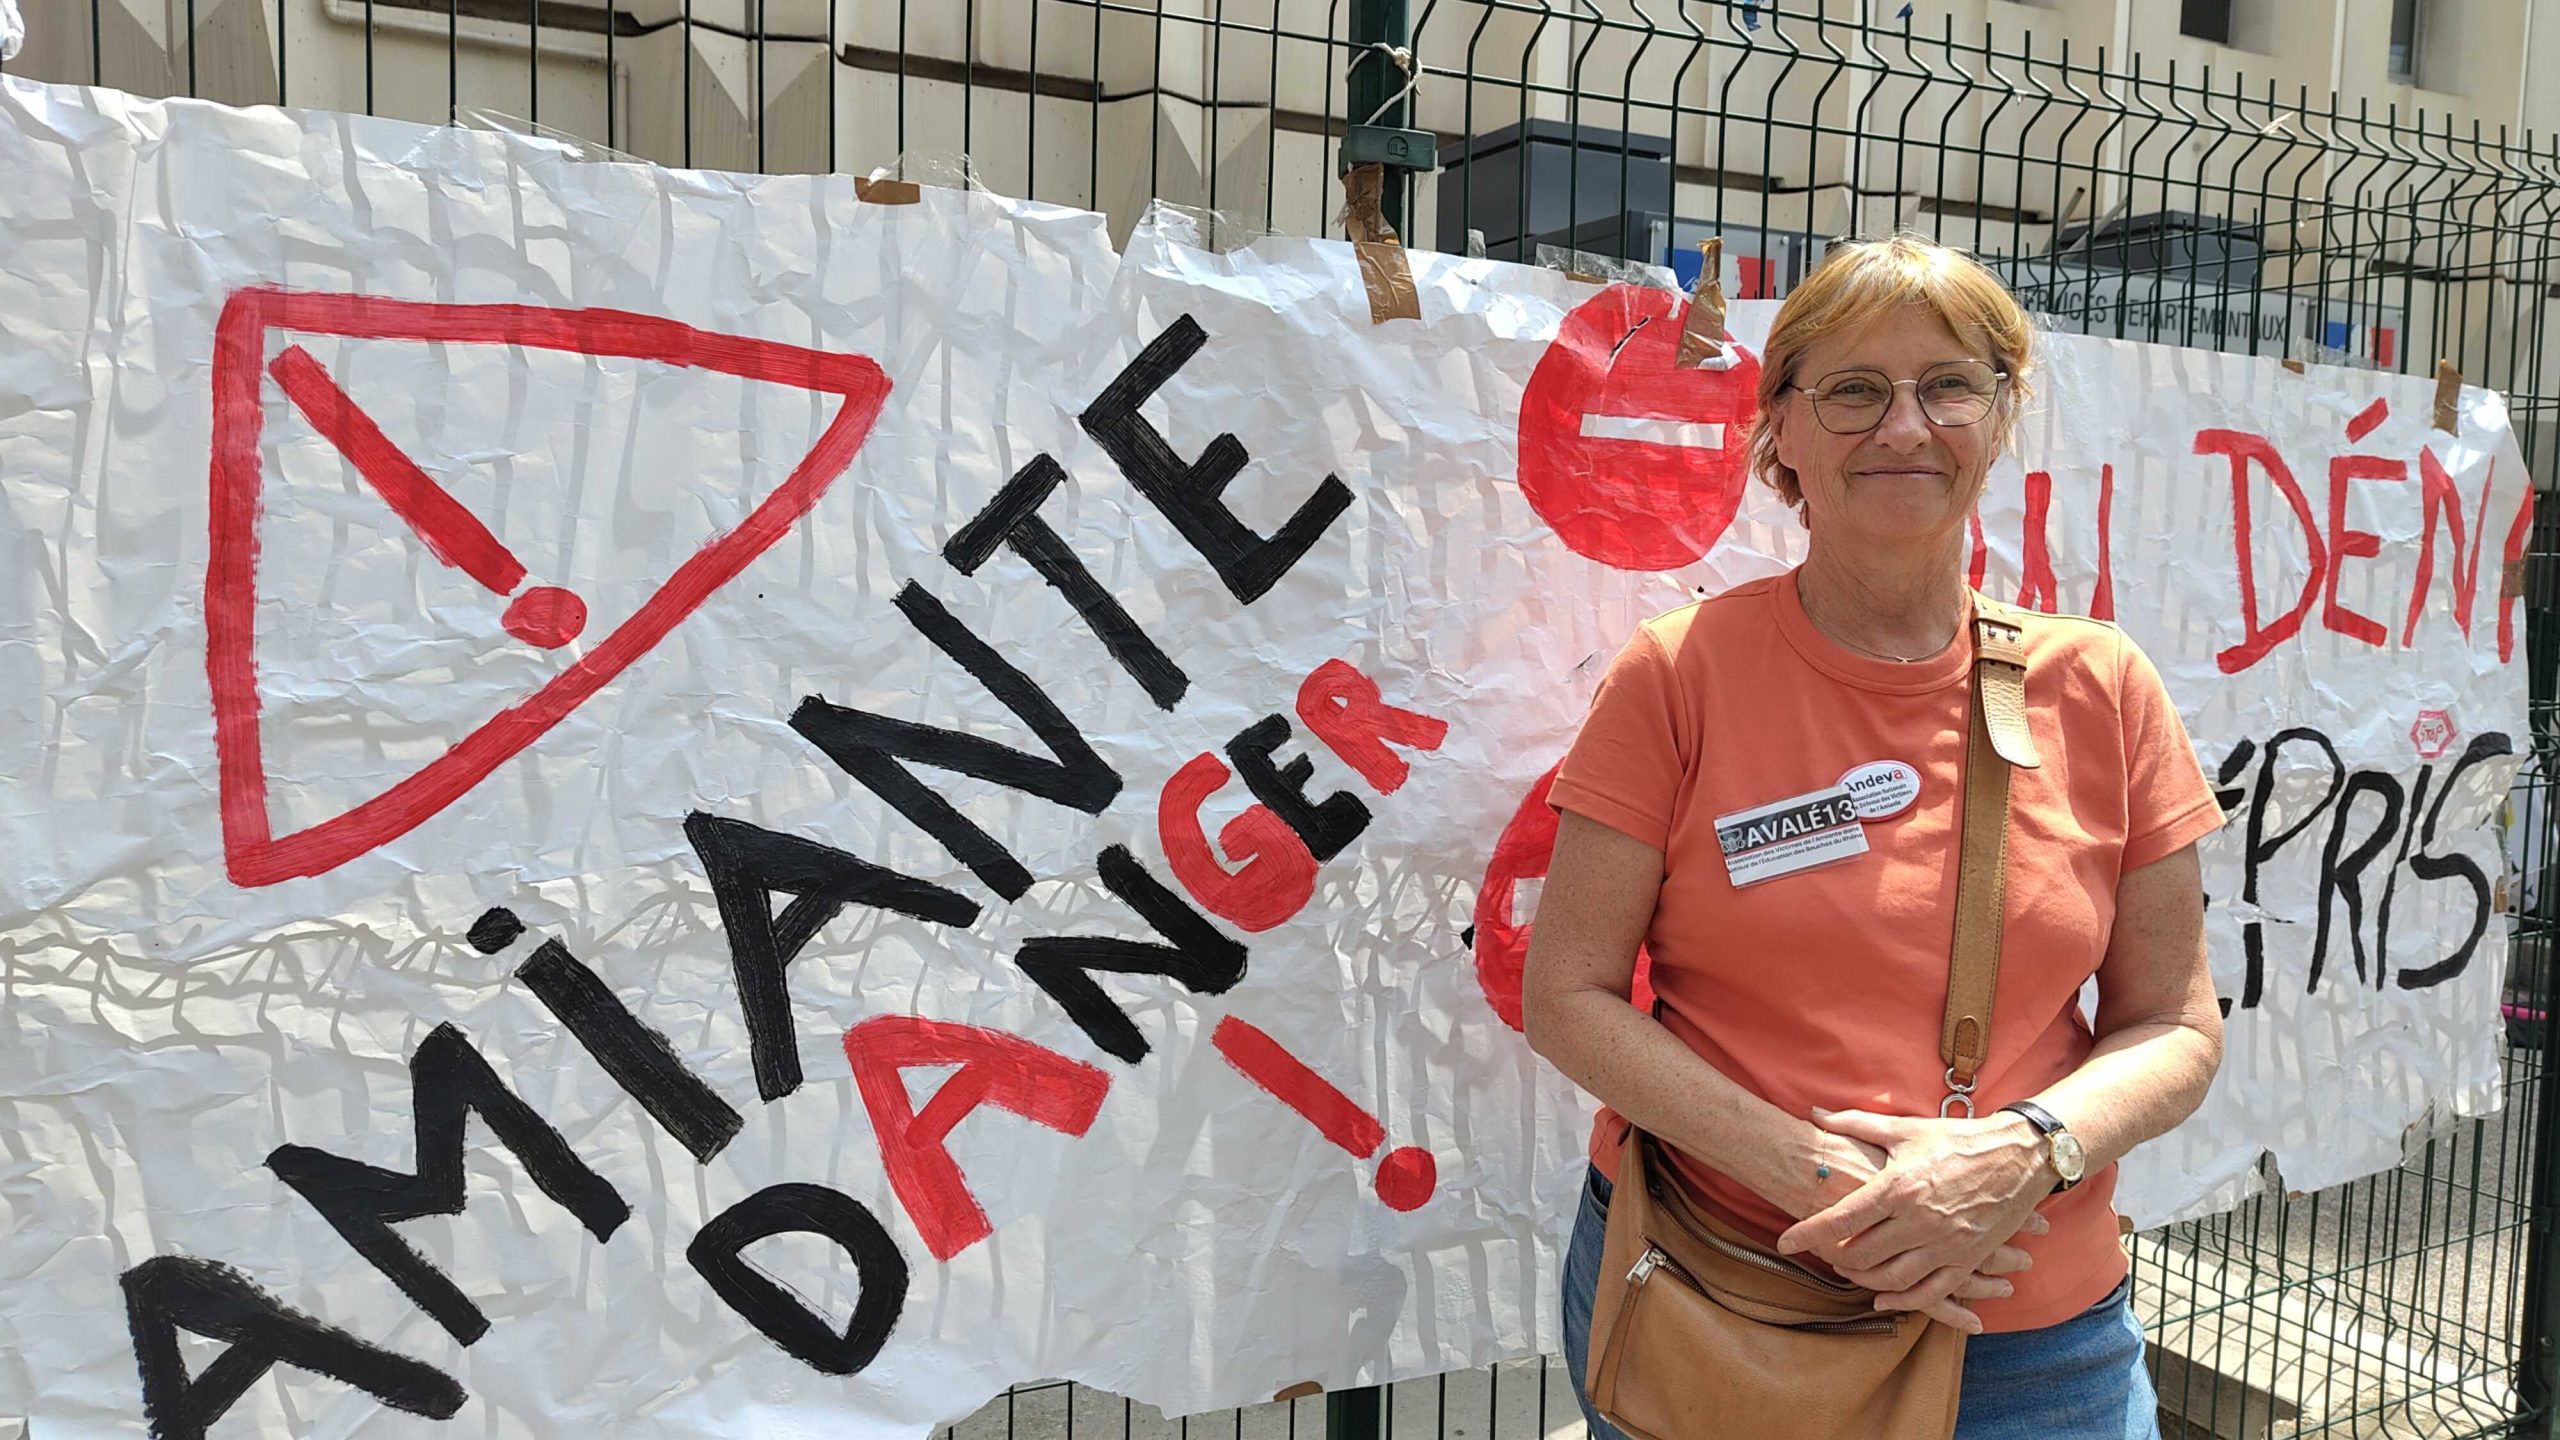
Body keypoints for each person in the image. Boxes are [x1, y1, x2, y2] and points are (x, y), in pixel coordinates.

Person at [1522, 234, 2227, 1439]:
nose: (1904, 424)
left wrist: (2019, 1156)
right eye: (1852, 390)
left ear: (1998, 420)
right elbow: (1568, 993)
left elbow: (2175, 1023)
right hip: (1727, 1301)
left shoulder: (2102, 688)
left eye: (1948, 385)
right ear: (1780, 433)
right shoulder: (1678, 677)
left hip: (2033, 1345)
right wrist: (1840, 1184)